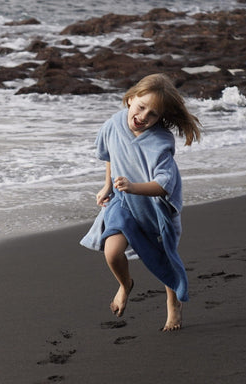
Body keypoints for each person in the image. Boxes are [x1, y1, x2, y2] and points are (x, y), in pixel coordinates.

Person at [80, 73, 201, 331]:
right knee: (112, 252)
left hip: (154, 211)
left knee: (164, 260)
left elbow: (163, 186)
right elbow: (111, 153)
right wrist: (107, 184)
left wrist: (133, 187)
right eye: (141, 107)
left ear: (162, 118)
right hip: (122, 203)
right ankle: (125, 285)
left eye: (153, 114)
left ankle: (173, 304)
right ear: (131, 98)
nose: (144, 116)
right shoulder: (113, 124)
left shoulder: (161, 143)